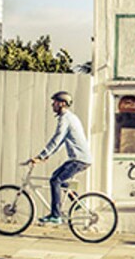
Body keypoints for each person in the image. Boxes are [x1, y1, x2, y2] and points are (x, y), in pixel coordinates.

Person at [29, 91, 92, 225]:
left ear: (62, 104)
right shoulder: (71, 117)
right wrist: (47, 155)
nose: (53, 104)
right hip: (80, 158)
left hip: (78, 159)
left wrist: (41, 155)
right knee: (56, 176)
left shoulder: (65, 119)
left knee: (56, 181)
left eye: (55, 102)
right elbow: (61, 140)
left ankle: (55, 215)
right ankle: (77, 201)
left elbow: (57, 139)